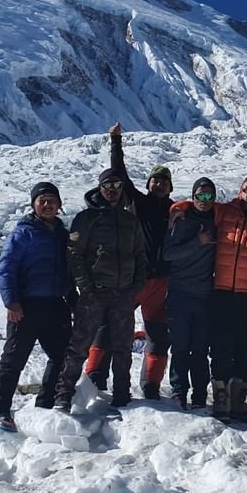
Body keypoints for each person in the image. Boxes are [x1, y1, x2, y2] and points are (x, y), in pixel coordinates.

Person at [170, 175, 247, 423]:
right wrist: (178, 207)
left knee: (245, 347)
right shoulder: (225, 211)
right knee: (220, 346)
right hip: (222, 290)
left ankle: (238, 400)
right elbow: (197, 206)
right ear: (240, 191)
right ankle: (221, 399)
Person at [84, 122, 173, 400]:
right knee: (110, 324)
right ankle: (96, 375)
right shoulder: (138, 202)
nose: (158, 184)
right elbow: (118, 174)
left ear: (170, 186)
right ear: (148, 185)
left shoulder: (177, 210)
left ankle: (151, 384)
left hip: (160, 282)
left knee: (158, 334)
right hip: (134, 278)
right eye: (154, 180)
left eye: (163, 181)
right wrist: (115, 142)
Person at [54, 167, 147, 412]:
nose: (112, 191)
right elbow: (74, 253)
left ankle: (121, 393)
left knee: (123, 346)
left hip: (123, 293)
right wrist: (86, 286)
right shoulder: (87, 218)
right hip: (94, 293)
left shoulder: (130, 220)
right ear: (100, 187)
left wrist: (136, 286)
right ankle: (63, 393)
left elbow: (140, 254)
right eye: (108, 186)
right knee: (80, 345)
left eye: (117, 186)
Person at [0, 182, 77, 433]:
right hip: (26, 306)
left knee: (61, 357)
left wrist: (72, 301)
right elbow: (6, 269)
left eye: (52, 200)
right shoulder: (23, 234)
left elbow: (67, 272)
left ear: (59, 205)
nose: (48, 204)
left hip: (54, 304)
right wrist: (12, 302)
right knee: (13, 360)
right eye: (42, 200)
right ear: (34, 205)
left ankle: (45, 403)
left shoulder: (62, 234)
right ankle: (0, 411)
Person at [162, 178, 218, 409]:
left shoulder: (218, 221)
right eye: (199, 196)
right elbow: (168, 254)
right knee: (180, 347)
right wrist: (198, 242)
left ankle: (199, 394)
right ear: (192, 197)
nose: (204, 201)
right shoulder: (181, 220)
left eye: (208, 196)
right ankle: (178, 391)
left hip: (204, 295)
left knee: (200, 349)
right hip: (179, 293)